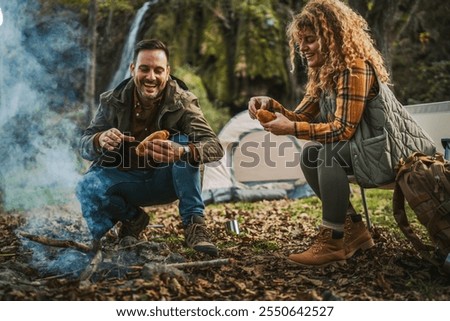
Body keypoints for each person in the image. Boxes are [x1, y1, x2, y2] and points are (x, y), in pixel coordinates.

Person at [248, 0, 435, 266]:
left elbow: (342, 129)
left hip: (395, 153)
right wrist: (271, 105)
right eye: (301, 41)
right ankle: (354, 229)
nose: (303, 48)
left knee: (327, 154)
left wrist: (291, 128)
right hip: (367, 150)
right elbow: (301, 117)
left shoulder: (354, 68)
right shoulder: (326, 73)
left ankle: (333, 240)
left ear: (331, 37)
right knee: (311, 153)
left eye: (310, 40)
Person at [76, 39, 224, 256]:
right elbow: (83, 144)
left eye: (158, 70)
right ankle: (133, 219)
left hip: (166, 181)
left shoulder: (183, 101)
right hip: (127, 181)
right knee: (85, 187)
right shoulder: (112, 101)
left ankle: (195, 225)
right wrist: (99, 139)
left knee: (184, 143)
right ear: (133, 68)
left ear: (167, 72)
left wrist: (182, 151)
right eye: (144, 69)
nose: (151, 77)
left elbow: (215, 147)